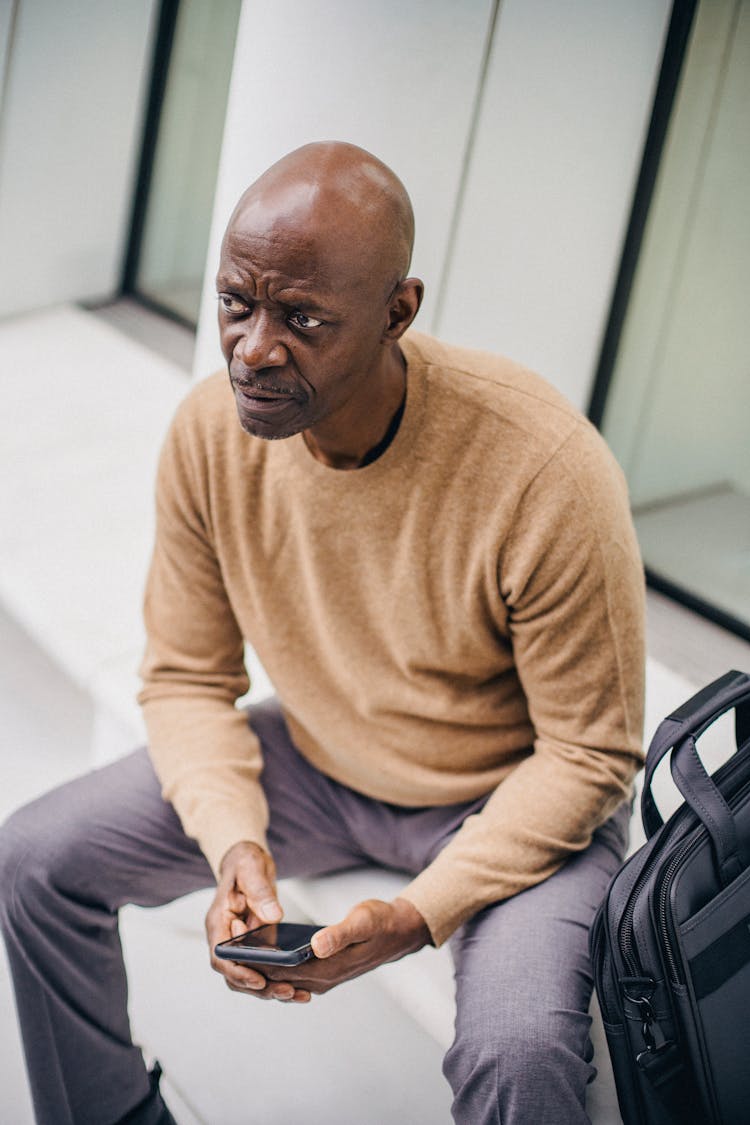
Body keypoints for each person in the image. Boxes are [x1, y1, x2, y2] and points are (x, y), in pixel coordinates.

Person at [0, 141, 645, 1125]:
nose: (254, 349)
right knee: (34, 862)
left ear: (399, 311)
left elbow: (592, 755)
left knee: (517, 1053)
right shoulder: (210, 435)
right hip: (319, 755)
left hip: (512, 800)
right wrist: (234, 843)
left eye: (301, 318)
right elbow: (182, 678)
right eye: (235, 303)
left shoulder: (543, 467)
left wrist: (419, 916)